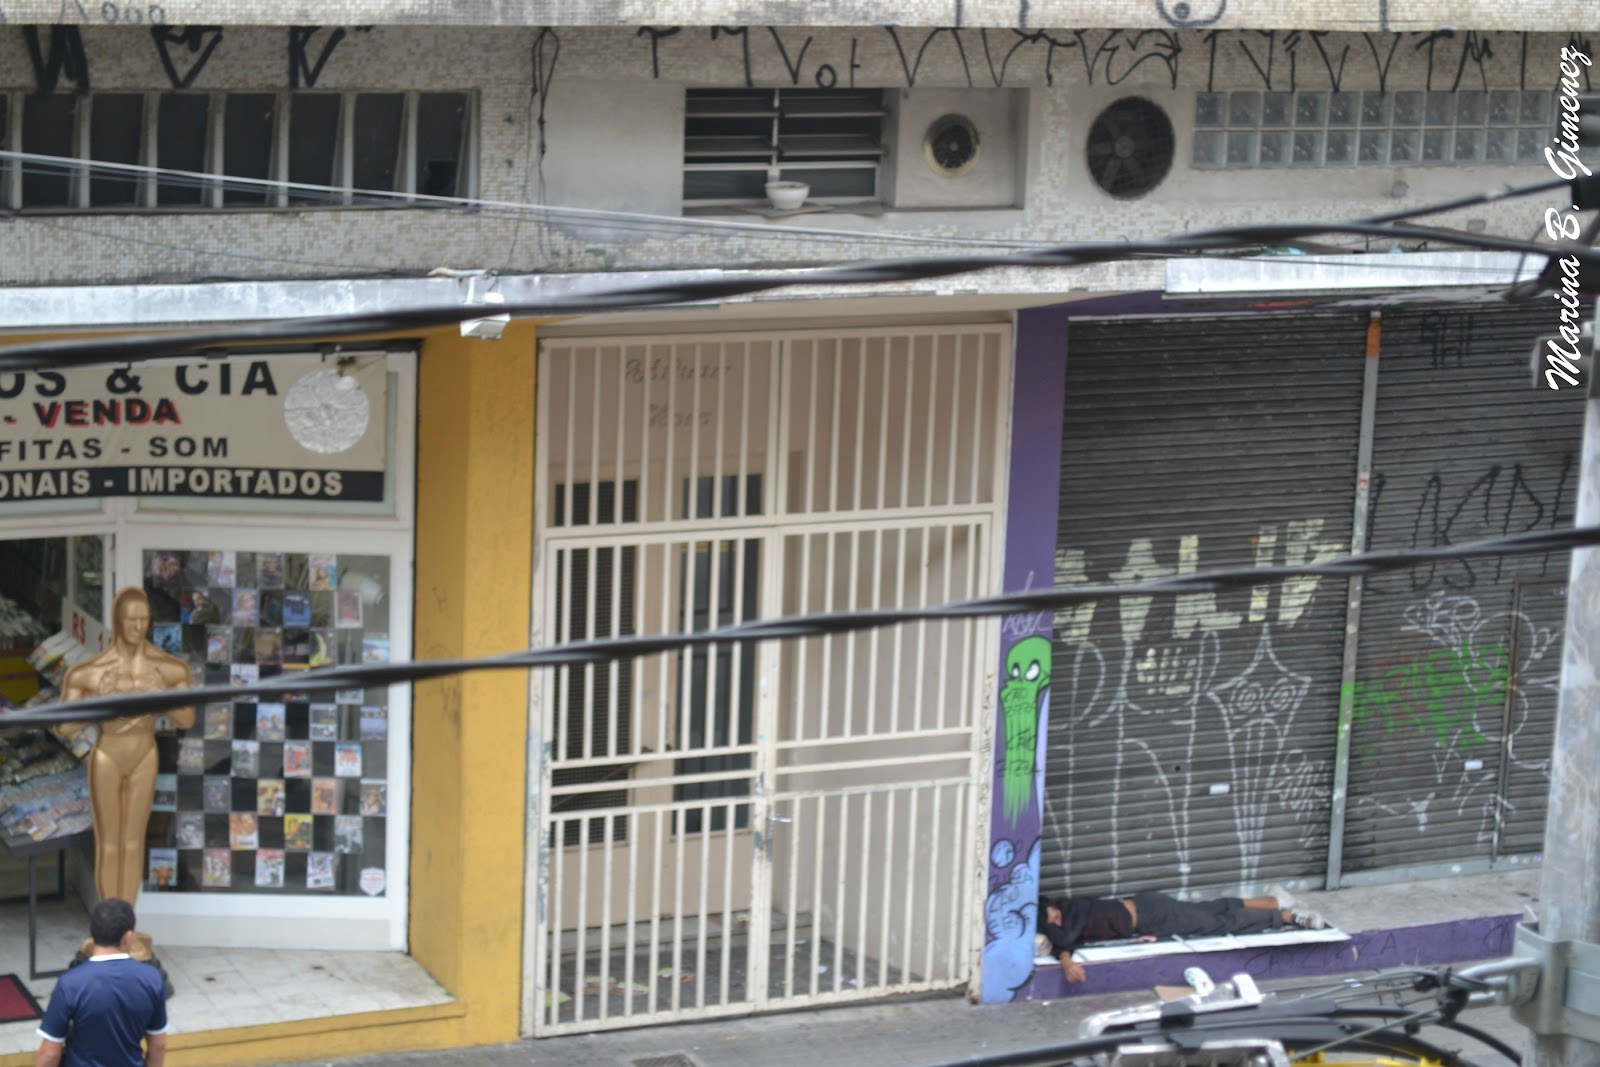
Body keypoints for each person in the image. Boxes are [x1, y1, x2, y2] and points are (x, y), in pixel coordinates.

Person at [57, 588, 195, 910]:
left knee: (134, 843)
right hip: (108, 753)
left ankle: (126, 924)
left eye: (144, 620)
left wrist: (161, 696)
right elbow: (63, 726)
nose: (138, 626)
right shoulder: (90, 672)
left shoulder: (168, 668)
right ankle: (108, 923)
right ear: (118, 621)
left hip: (144, 752)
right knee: (108, 843)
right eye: (131, 619)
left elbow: (187, 719)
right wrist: (98, 702)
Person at [1039, 885, 1326, 984]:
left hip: (1153, 914)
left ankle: (1286, 916)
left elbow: (1065, 939)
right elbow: (1068, 942)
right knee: (1209, 910)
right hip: (1151, 913)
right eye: (1052, 922)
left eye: (1053, 915)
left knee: (1217, 924)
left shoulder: (1072, 910)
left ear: (1053, 905)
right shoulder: (1068, 928)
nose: (1056, 919)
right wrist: (1065, 958)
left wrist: (1063, 953)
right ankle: (1271, 902)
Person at [35, 898, 168, 1067]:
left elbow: (50, 1053)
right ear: (127, 937)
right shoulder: (151, 979)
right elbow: (158, 1045)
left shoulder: (70, 983)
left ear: (93, 934)